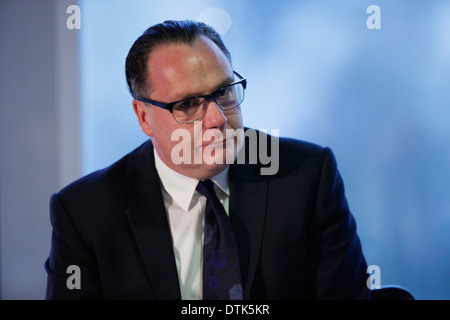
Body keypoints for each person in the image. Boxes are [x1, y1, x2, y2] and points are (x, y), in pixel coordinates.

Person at [45, 20, 370, 300]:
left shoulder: (305, 175)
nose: (217, 118)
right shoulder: (85, 212)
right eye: (188, 104)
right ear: (144, 117)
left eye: (225, 93)